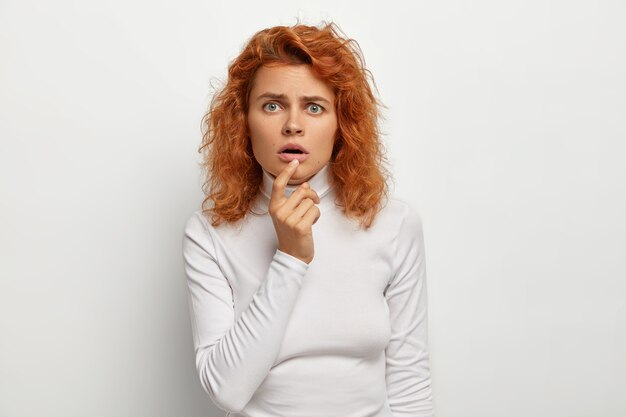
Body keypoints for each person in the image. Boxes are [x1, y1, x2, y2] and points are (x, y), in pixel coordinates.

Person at [182, 21, 434, 417]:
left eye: (314, 107)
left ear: (342, 125)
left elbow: (410, 385)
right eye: (272, 105)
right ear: (242, 122)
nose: (293, 124)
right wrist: (290, 258)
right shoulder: (209, 231)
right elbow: (226, 391)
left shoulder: (394, 223)